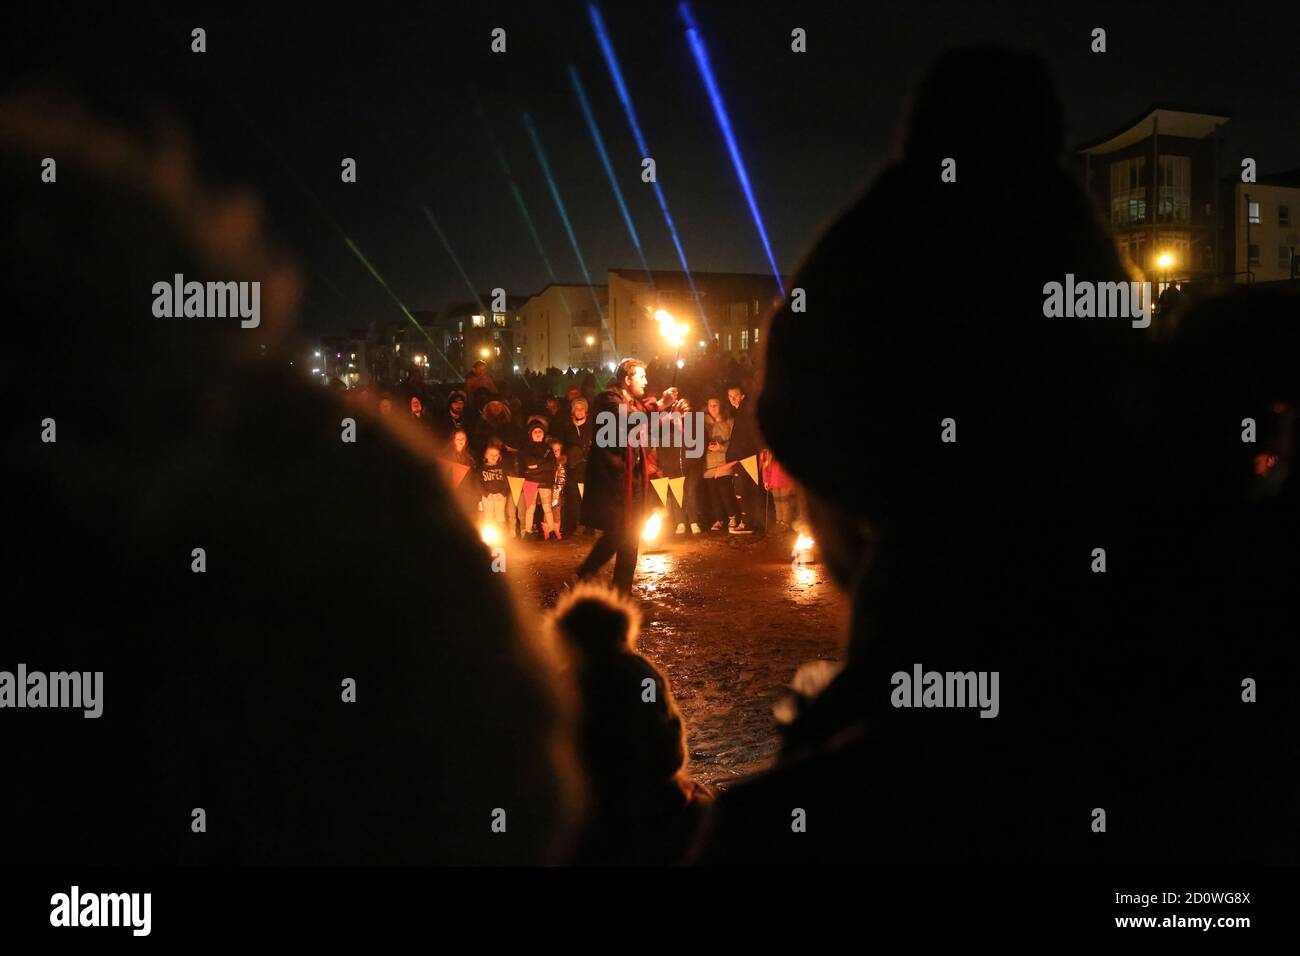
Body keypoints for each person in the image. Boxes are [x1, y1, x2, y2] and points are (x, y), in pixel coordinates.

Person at [553, 583, 712, 864]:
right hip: (650, 807)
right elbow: (668, 745)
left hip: (591, 816)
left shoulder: (562, 683)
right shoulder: (639, 673)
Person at [575, 359, 687, 593]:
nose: (646, 382)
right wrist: (661, 404)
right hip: (612, 480)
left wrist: (671, 413)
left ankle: (621, 595)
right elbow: (630, 420)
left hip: (632, 478)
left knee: (631, 534)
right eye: (641, 377)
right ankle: (586, 571)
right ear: (627, 379)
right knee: (619, 532)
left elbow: (647, 431)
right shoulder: (607, 400)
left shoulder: (634, 403)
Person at [725, 384, 764, 534]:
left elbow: (745, 437)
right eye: (730, 396)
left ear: (742, 396)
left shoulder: (745, 412)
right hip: (742, 458)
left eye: (735, 395)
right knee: (747, 490)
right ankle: (753, 522)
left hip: (745, 458)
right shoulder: (739, 412)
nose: (733, 399)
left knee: (746, 491)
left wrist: (735, 456)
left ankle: (750, 523)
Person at [559, 397, 594, 535]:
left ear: (586, 411)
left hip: (588, 466)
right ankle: (579, 523)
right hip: (573, 467)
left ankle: (592, 525)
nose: (579, 411)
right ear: (573, 411)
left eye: (582, 409)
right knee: (574, 497)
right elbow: (563, 444)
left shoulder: (592, 426)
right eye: (577, 409)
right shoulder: (567, 427)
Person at [702, 396, 738, 531]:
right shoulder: (702, 423)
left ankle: (733, 517)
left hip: (724, 462)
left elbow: (735, 442)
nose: (713, 407)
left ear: (721, 406)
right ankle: (719, 519)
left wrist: (721, 447)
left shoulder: (729, 421)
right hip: (708, 463)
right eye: (710, 405)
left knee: (725, 491)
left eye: (715, 404)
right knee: (714, 494)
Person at [519, 419, 558, 538]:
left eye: (540, 431)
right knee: (530, 508)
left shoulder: (548, 449)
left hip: (545, 482)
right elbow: (528, 463)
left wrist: (537, 467)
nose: (537, 433)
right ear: (531, 434)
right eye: (535, 431)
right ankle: (528, 532)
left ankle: (551, 531)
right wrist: (542, 465)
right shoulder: (526, 449)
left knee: (547, 508)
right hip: (530, 482)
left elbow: (552, 465)